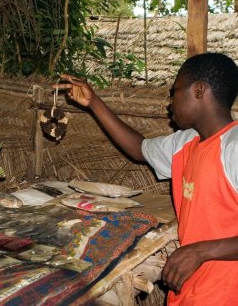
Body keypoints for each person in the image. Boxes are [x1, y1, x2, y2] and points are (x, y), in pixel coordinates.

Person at [56, 52, 238, 305]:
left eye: (175, 91)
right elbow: (138, 148)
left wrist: (202, 250)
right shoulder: (186, 143)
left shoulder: (234, 147)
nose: (170, 102)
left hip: (226, 293)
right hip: (191, 290)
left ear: (198, 91)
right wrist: (93, 102)